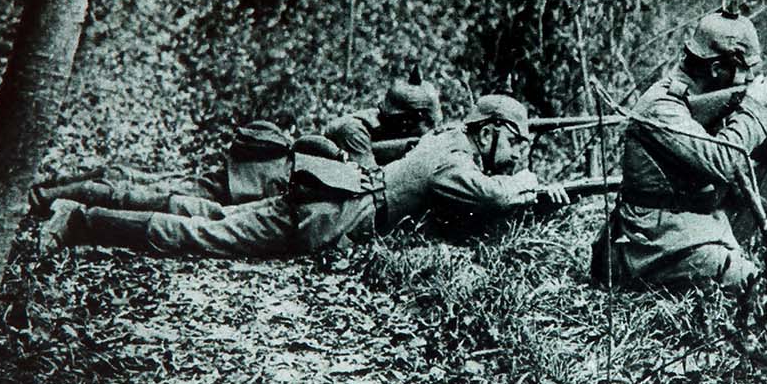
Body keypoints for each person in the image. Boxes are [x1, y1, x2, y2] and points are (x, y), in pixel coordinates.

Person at [37, 93, 570, 261]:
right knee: (205, 234)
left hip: (327, 191)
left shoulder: (450, 137)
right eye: (516, 140)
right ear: (493, 130)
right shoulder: (454, 159)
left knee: (205, 213)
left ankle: (77, 211)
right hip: (332, 209)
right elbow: (484, 193)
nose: (519, 153)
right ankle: (84, 220)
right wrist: (529, 187)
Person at [594, 9, 767, 290]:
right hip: (653, 244)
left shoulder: (706, 97)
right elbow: (724, 161)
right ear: (717, 68)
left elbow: (758, 156)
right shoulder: (662, 107)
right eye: (746, 69)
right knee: (758, 286)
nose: (750, 77)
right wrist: (753, 106)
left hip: (700, 216)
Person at [28, 118, 294, 213]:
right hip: (245, 186)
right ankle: (41, 195)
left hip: (247, 178)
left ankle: (46, 190)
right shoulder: (323, 156)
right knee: (147, 192)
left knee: (150, 183)